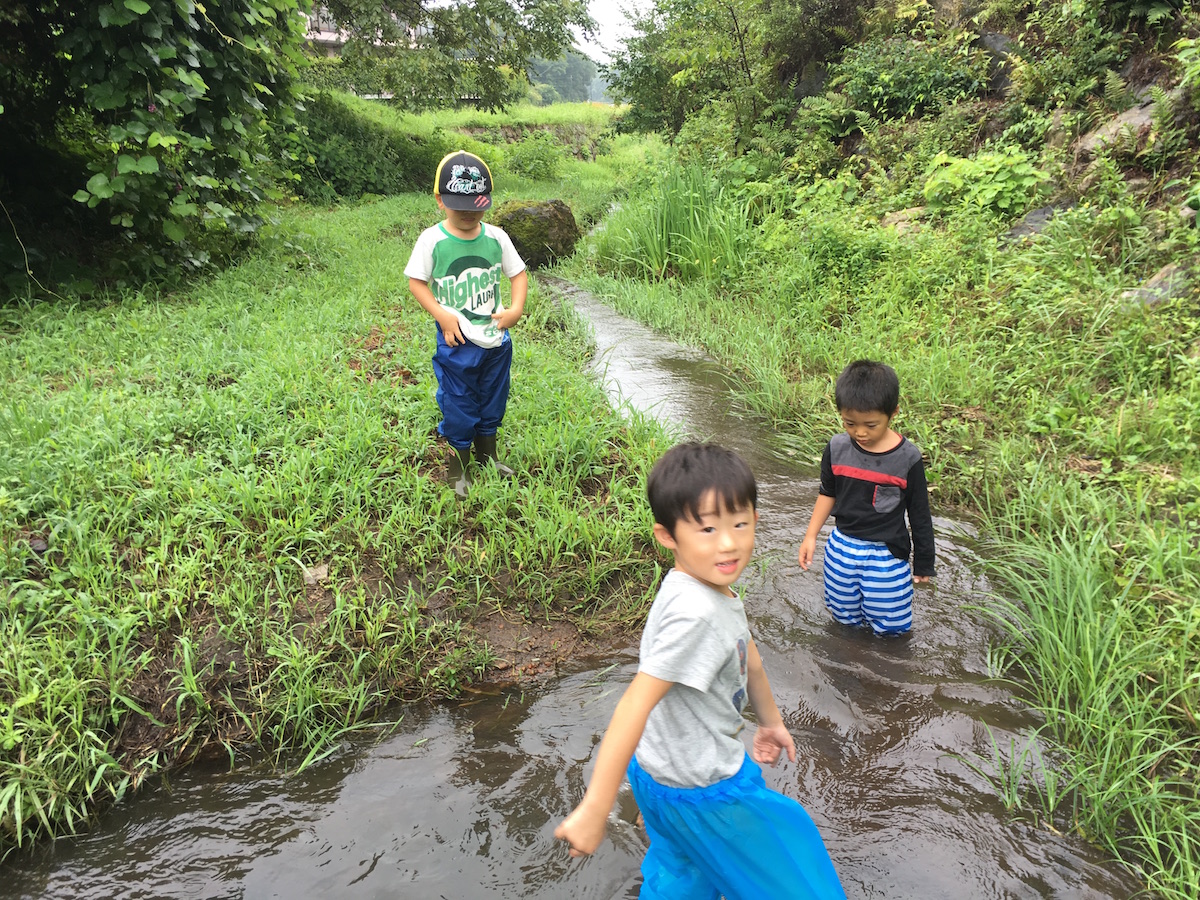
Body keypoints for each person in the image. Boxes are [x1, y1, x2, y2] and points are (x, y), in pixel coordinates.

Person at [555, 442, 846, 900]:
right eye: (707, 528)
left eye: (740, 523)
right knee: (798, 875)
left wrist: (770, 722)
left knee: (680, 878)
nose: (729, 542)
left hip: (656, 779)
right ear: (667, 535)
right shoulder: (697, 615)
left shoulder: (702, 584)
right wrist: (596, 805)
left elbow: (746, 651)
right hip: (705, 792)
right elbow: (636, 701)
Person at [404, 149, 528, 499]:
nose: (469, 214)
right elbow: (417, 282)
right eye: (459, 206)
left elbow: (518, 273)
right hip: (456, 339)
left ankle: (488, 456)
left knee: (493, 397)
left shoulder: (496, 237)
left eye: (476, 206)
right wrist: (441, 314)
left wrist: (515, 308)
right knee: (458, 402)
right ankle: (459, 464)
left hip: (496, 339)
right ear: (439, 200)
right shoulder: (433, 240)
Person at [798, 360, 935, 634]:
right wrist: (811, 535)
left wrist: (924, 562)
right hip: (841, 549)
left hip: (885, 555)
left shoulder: (907, 458)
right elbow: (828, 493)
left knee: (891, 628)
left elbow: (919, 514)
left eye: (871, 425)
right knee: (843, 620)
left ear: (893, 413)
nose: (860, 432)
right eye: (850, 423)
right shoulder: (837, 448)